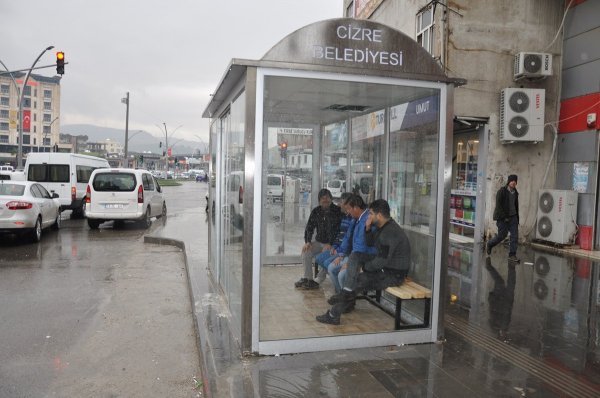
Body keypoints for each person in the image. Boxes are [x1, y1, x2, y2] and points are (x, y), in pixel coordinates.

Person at [317, 199, 411, 325]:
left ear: (379, 215)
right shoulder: (382, 226)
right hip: (385, 266)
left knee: (359, 281)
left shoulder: (390, 232)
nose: (369, 216)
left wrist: (365, 268)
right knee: (355, 255)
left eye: (371, 214)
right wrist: (367, 228)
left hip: (393, 274)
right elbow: (371, 243)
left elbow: (381, 261)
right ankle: (346, 291)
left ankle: (334, 312)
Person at [295, 188, 343, 290]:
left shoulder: (338, 211)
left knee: (325, 255)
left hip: (333, 244)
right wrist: (308, 242)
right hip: (319, 241)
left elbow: (339, 231)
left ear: (331, 198)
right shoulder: (316, 211)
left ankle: (319, 280)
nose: (325, 200)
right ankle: (308, 278)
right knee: (306, 252)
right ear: (319, 200)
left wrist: (331, 243)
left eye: (327, 198)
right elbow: (309, 228)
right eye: (322, 198)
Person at [314, 192, 354, 284]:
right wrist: (334, 246)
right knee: (319, 259)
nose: (340, 204)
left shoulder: (353, 220)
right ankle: (339, 281)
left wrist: (340, 253)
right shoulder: (344, 217)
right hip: (338, 248)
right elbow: (339, 234)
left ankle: (342, 285)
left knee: (330, 265)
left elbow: (348, 241)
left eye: (342, 202)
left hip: (344, 252)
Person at [486, 174, 520, 263]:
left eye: (515, 181)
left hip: (513, 217)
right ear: (509, 181)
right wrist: (504, 217)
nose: (513, 182)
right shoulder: (502, 191)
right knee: (502, 236)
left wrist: (517, 217)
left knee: (515, 236)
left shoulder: (515, 192)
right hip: (503, 218)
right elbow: (498, 206)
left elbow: (515, 206)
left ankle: (512, 254)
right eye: (512, 181)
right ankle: (490, 244)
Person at [486, 256, 516, 342]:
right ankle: (512, 267)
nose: (505, 335)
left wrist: (492, 299)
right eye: (505, 337)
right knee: (511, 282)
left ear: (499, 336)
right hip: (507, 300)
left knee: (500, 282)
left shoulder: (495, 327)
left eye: (503, 337)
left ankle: (489, 267)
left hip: (499, 298)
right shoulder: (505, 328)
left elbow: (492, 311)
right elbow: (508, 314)